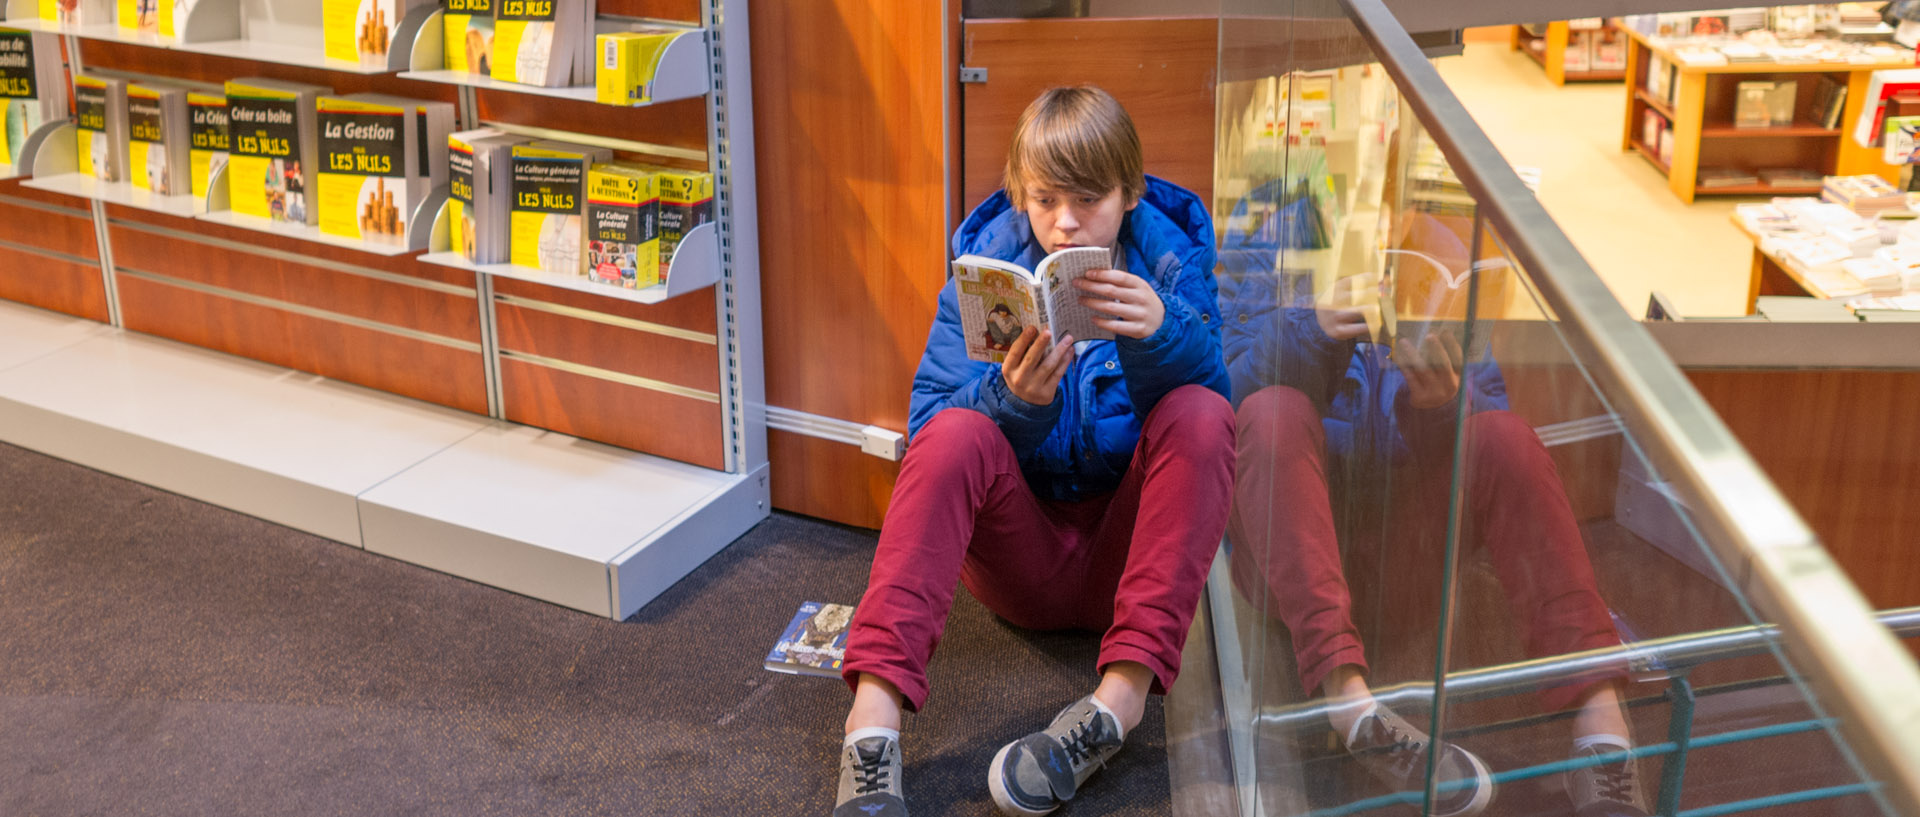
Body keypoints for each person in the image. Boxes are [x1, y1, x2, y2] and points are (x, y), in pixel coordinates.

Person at [832, 85, 1236, 817]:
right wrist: (1013, 401)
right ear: (1020, 192)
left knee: (1203, 414)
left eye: (1088, 199)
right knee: (957, 431)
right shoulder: (986, 272)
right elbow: (931, 434)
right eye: (1045, 199)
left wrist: (1163, 332)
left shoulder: (1171, 265)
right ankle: (872, 727)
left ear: (1132, 192)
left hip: (1129, 556)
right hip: (1023, 557)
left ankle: (1117, 705)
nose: (1064, 223)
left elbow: (1213, 418)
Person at [1217, 165, 1649, 817]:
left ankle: (1602, 730)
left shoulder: (1438, 261)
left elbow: (1487, 438)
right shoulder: (1268, 236)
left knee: (1501, 435)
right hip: (1288, 558)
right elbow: (1221, 401)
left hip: (1404, 554)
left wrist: (1444, 407)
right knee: (1271, 410)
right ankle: (1352, 705)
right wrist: (1310, 331)